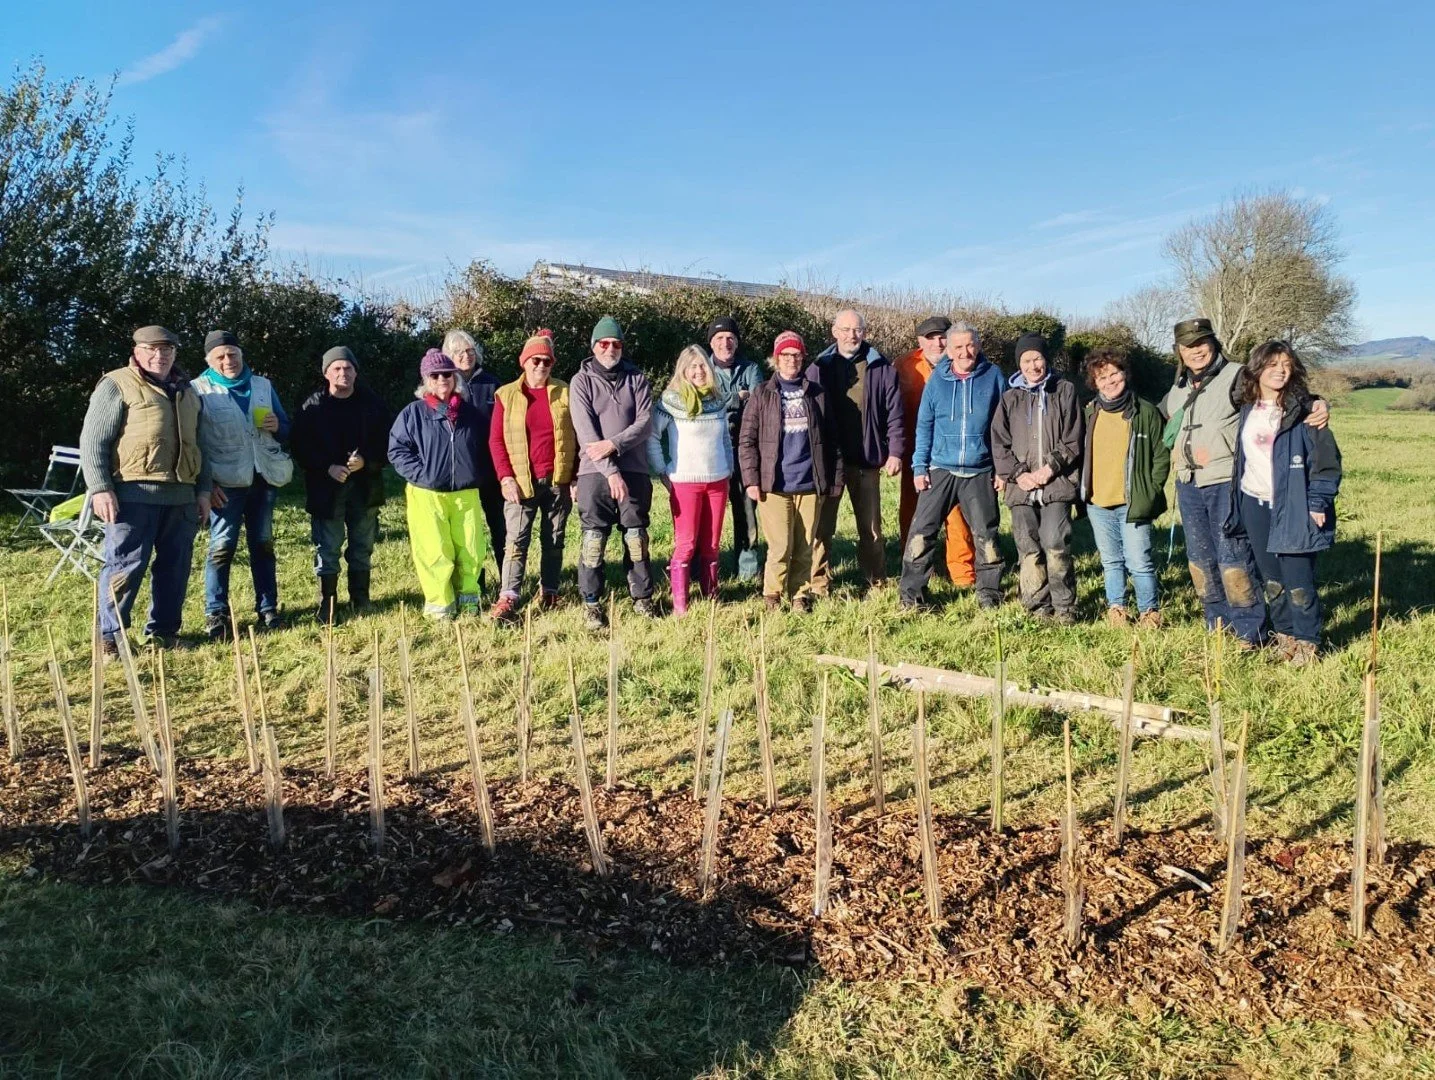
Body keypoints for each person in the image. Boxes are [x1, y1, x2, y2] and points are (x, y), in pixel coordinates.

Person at [1161, 317, 1329, 646]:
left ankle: (1249, 630)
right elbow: (1159, 414)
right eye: (1188, 346)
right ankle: (1218, 624)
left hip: (1225, 481)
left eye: (1202, 343)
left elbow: (1280, 392)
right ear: (1179, 352)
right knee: (1199, 559)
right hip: (1188, 482)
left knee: (1233, 558)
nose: (1196, 351)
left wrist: (1318, 403)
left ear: (1214, 343)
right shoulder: (1179, 387)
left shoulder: (1236, 375)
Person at [79, 325, 210, 653]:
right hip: (132, 493)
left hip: (182, 495)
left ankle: (164, 632)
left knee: (175, 567)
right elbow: (93, 441)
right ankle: (110, 637)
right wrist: (99, 488)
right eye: (151, 349)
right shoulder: (116, 384)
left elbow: (201, 445)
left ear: (175, 353)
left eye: (167, 350)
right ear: (137, 351)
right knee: (125, 565)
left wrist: (204, 491)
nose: (159, 355)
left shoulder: (188, 391)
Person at [1224, 341, 1341, 665]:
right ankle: (1285, 636)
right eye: (1272, 363)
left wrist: (1317, 503)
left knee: (1298, 581)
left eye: (1286, 364)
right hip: (1253, 502)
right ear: (1257, 368)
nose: (1279, 370)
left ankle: (1308, 643)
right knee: (1272, 580)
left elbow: (1326, 463)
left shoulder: (1305, 412)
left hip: (1293, 506)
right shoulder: (1247, 406)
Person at [192, 330, 293, 639]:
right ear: (209, 360)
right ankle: (216, 613)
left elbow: (287, 429)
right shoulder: (198, 390)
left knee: (263, 545)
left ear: (241, 354)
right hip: (226, 482)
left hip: (263, 477)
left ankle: (268, 608)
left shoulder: (263, 385)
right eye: (220, 356)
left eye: (232, 354)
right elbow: (194, 444)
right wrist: (206, 486)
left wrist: (278, 426)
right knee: (221, 548)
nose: (228, 361)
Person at [898, 322, 1005, 610]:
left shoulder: (993, 376)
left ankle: (989, 594)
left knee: (986, 535)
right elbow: (925, 424)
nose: (965, 352)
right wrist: (919, 466)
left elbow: (1002, 427)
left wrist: (1002, 469)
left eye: (970, 345)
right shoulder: (938, 381)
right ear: (949, 349)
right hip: (940, 468)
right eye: (958, 346)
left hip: (980, 470)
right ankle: (911, 595)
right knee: (921, 532)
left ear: (979, 345)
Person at [738, 331, 843, 612]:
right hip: (774, 484)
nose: (791, 360)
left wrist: (834, 480)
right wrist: (751, 480)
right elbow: (746, 441)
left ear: (803, 358)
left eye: (796, 355)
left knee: (806, 545)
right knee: (780, 546)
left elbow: (832, 440)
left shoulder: (817, 394)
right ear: (776, 358)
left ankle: (800, 595)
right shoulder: (762, 394)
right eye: (785, 355)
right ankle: (772, 594)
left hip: (809, 483)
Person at [290, 346, 392, 623]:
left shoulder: (374, 405)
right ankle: (328, 604)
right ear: (326, 373)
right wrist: (327, 467)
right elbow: (300, 446)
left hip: (365, 488)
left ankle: (361, 599)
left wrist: (368, 461)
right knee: (328, 548)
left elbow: (389, 444)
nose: (343, 373)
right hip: (326, 490)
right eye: (336, 368)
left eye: (348, 368)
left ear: (356, 372)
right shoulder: (311, 407)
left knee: (362, 546)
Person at [388, 349, 492, 620]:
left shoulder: (471, 414)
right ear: (426, 380)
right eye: (435, 375)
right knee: (434, 551)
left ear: (455, 377)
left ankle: (469, 601)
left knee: (471, 549)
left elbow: (487, 449)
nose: (442, 379)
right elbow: (397, 450)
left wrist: (478, 473)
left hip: (465, 493)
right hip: (427, 494)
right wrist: (424, 475)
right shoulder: (413, 413)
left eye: (447, 374)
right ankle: (440, 607)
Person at [807, 308, 903, 595]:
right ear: (834, 331)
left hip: (866, 460)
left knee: (871, 529)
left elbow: (895, 414)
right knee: (822, 529)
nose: (852, 335)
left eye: (858, 330)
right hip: (828, 462)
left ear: (865, 332)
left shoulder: (881, 367)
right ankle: (818, 583)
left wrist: (895, 452)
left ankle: (876, 582)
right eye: (846, 329)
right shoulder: (818, 367)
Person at [570, 316, 657, 629]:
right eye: (604, 343)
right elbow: (585, 432)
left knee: (636, 537)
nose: (610, 348)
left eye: (615, 343)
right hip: (594, 473)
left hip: (634, 469)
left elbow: (646, 423)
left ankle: (643, 597)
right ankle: (592, 602)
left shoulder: (637, 378)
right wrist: (610, 471)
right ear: (594, 346)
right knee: (593, 540)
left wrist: (615, 444)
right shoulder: (581, 381)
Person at [992, 332, 1084, 623]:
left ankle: (1065, 607)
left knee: (1055, 543)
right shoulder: (1009, 399)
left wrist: (1049, 468)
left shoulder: (1065, 390)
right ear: (1019, 364)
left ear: (1047, 360)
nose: (1033, 365)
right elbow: (998, 443)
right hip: (1021, 488)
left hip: (1056, 483)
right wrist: (1019, 475)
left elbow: (1073, 438)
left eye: (1038, 358)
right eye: (1027, 360)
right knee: (1028, 548)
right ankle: (1036, 606)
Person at [487, 329, 577, 623]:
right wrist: (505, 477)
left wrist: (574, 477)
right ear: (523, 362)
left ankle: (549, 591)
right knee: (516, 540)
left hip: (557, 480)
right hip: (520, 483)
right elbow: (496, 441)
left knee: (554, 539)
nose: (541, 366)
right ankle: (509, 596)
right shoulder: (506, 395)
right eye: (535, 360)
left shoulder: (565, 392)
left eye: (546, 362)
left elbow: (576, 435)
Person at [1079, 348, 1170, 628]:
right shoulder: (1089, 413)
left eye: (1114, 374)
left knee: (1139, 560)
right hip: (1098, 502)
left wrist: (1151, 490)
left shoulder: (1145, 411)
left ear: (1125, 374)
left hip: (1134, 502)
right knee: (1111, 561)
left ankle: (1149, 612)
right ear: (1094, 383)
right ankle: (1117, 608)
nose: (1109, 381)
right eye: (1102, 377)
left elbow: (1161, 455)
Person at [649, 344, 733, 615]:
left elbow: (725, 439)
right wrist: (662, 470)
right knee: (686, 544)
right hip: (685, 482)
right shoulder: (670, 401)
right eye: (693, 366)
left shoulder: (718, 400)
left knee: (711, 545)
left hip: (718, 481)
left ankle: (711, 597)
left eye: (702, 366)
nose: (698, 371)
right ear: (683, 370)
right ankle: (680, 605)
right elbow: (651, 436)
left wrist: (729, 468)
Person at [896, 315, 976, 587]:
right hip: (914, 452)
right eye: (930, 338)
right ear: (920, 341)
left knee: (956, 516)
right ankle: (913, 564)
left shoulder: (966, 365)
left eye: (942, 336)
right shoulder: (903, 366)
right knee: (912, 512)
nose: (937, 342)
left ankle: (962, 572)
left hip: (952, 453)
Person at [442, 328, 506, 582]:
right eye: (459, 352)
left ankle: (507, 582)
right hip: (463, 472)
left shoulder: (492, 384)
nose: (466, 356)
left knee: (500, 527)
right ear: (449, 356)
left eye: (470, 351)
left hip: (492, 470)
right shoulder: (445, 384)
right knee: (468, 530)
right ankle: (474, 583)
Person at [706, 316, 764, 581]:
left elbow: (757, 404)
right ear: (711, 342)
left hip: (744, 449)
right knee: (707, 514)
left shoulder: (751, 368)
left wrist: (722, 399)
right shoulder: (701, 368)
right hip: (710, 451)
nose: (725, 343)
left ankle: (748, 571)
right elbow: (702, 402)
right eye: (719, 338)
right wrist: (735, 398)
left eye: (730, 338)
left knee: (746, 511)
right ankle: (705, 570)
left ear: (737, 342)